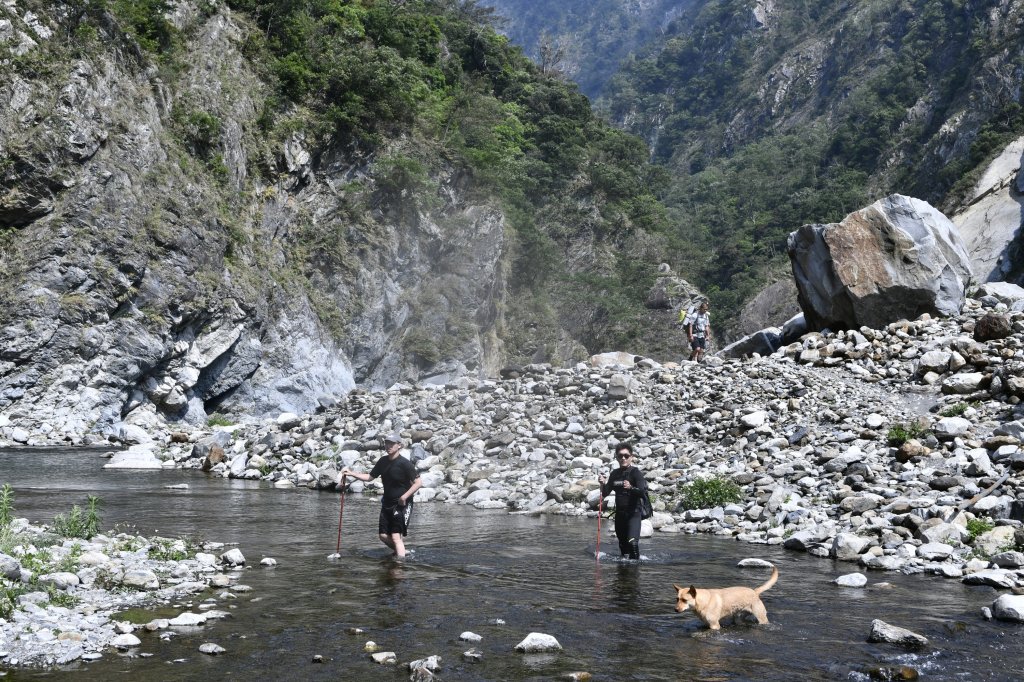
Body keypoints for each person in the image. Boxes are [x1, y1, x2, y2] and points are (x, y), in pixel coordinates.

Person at [340, 432, 422, 558]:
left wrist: (404, 497)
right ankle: (402, 553)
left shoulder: (405, 464)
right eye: (386, 443)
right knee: (383, 536)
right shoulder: (383, 461)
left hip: (402, 504)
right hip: (387, 502)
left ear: (399, 445)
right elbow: (369, 477)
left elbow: (418, 483)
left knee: (395, 536)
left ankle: (399, 567)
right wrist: (351, 473)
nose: (388, 446)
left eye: (392, 443)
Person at [598, 443, 648, 561]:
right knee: (624, 548)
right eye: (620, 456)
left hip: (634, 513)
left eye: (626, 455)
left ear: (631, 457)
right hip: (620, 515)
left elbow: (642, 492)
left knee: (633, 544)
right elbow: (605, 493)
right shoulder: (615, 474)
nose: (623, 458)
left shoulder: (636, 473)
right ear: (616, 457)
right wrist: (602, 483)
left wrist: (631, 487)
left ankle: (634, 572)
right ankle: (623, 576)